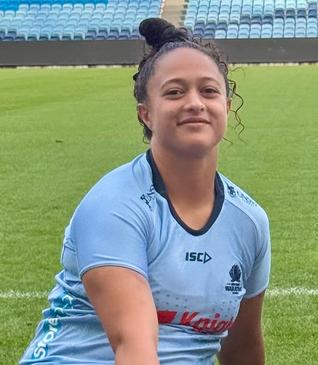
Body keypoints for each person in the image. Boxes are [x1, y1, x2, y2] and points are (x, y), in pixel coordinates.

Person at [20, 18, 270, 365]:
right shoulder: (115, 204)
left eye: (209, 91)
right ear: (146, 114)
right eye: (174, 92)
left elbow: (242, 348)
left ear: (226, 107)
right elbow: (134, 344)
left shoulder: (249, 222)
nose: (195, 103)